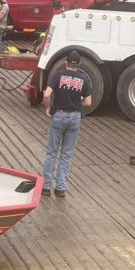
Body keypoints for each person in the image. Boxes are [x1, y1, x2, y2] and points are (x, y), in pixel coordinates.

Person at [42, 51, 92, 197]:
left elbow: (46, 94)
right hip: (75, 117)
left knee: (52, 152)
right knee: (67, 154)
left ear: (66, 63)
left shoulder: (58, 75)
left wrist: (47, 108)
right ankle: (60, 189)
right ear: (79, 65)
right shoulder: (84, 79)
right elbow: (88, 102)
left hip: (59, 115)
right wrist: (79, 102)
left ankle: (45, 187)